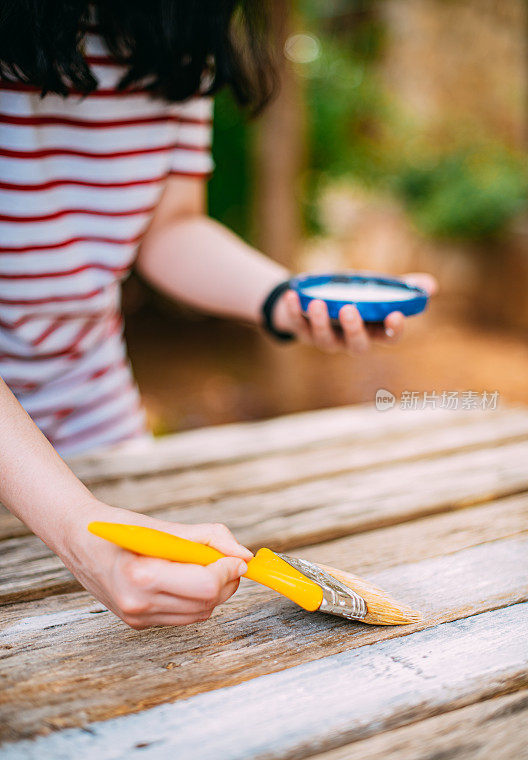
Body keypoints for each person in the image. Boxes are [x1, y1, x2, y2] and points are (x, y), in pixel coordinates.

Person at [0, 1, 436, 629]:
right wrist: (70, 522)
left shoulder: (182, 26)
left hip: (97, 411)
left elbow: (169, 228)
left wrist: (287, 298)